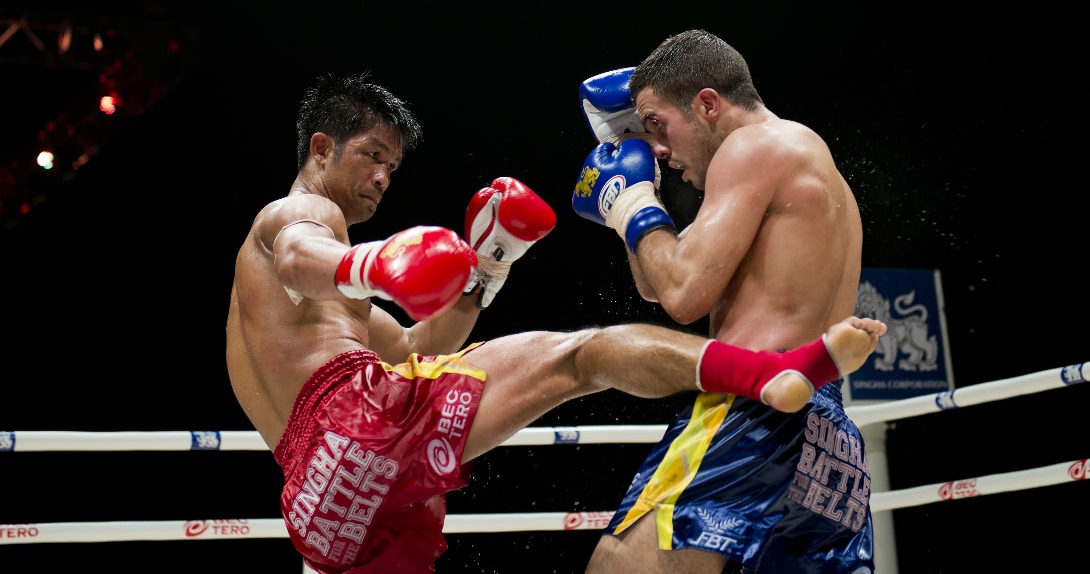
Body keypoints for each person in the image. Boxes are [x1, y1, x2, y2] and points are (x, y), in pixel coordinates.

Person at [224, 71, 887, 574]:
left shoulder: (315, 319)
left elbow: (414, 348)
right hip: (354, 424)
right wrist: (372, 264)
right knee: (585, 355)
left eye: (391, 166)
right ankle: (767, 371)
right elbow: (298, 256)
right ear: (321, 145)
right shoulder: (297, 215)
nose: (381, 177)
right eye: (371, 155)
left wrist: (487, 267)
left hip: (324, 497)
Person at [572, 29, 875, 573]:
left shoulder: (752, 147)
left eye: (658, 125)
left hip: (750, 414)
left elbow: (684, 296)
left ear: (708, 104)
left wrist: (635, 199)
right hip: (824, 437)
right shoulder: (802, 160)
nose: (657, 148)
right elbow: (658, 283)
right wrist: (631, 209)